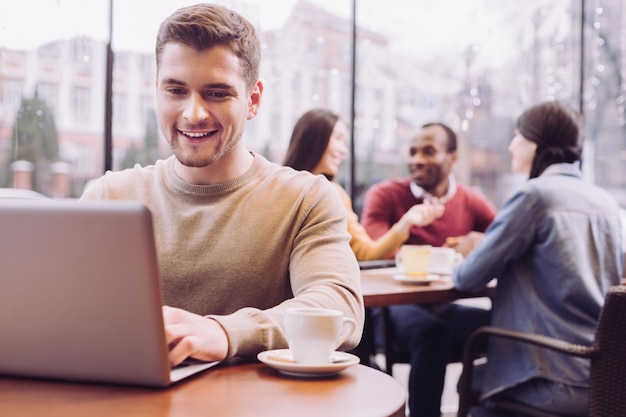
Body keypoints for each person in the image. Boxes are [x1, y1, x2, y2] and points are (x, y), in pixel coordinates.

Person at [80, 4, 364, 367]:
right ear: (157, 91)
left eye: (217, 93)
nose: (193, 113)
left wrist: (226, 333)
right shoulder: (109, 197)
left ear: (253, 100)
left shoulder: (305, 199)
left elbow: (339, 308)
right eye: (176, 90)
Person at [453, 101, 623, 417]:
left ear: (537, 142)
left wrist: (471, 251)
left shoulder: (534, 197)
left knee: (469, 380)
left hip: (547, 374)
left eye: (518, 135)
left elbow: (467, 278)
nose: (511, 145)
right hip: (605, 379)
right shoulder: (608, 204)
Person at [360, 122, 497, 417]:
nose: (417, 160)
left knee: (501, 324)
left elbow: (504, 241)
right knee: (431, 333)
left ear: (453, 158)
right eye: (412, 152)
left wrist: (478, 242)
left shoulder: (471, 201)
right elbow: (372, 249)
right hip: (389, 313)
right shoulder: (385, 195)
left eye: (428, 151)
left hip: (442, 308)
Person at [283, 108, 445, 261]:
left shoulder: (278, 186)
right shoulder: (330, 193)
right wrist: (406, 222)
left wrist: (407, 221)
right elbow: (367, 253)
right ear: (314, 140)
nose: (344, 150)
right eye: (338, 139)